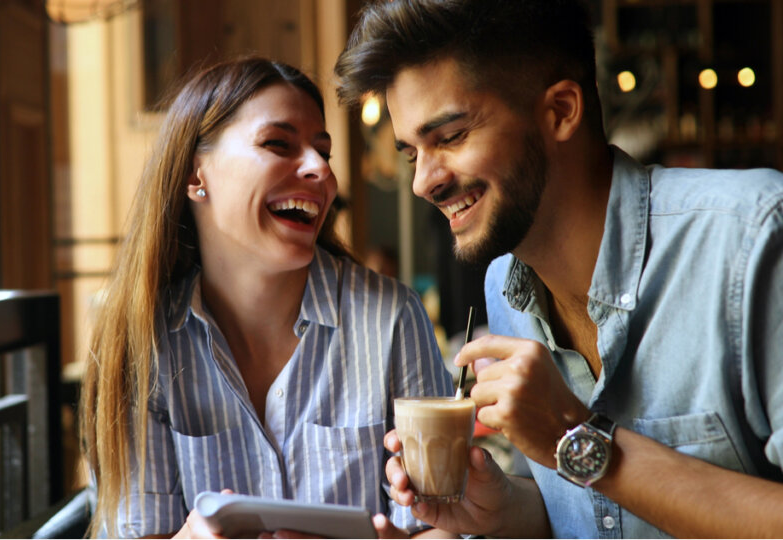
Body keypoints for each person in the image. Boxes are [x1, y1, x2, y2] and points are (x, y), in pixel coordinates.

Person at [333, 0, 783, 537]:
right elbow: (584, 515)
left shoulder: (753, 240)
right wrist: (499, 510)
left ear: (561, 111)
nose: (422, 182)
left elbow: (573, 449)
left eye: (449, 137)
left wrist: (578, 438)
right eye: (412, 153)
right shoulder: (504, 285)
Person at [78, 56, 453, 538]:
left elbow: (443, 523)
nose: (320, 169)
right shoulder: (145, 342)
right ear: (197, 175)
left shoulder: (392, 318)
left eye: (324, 151)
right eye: (278, 143)